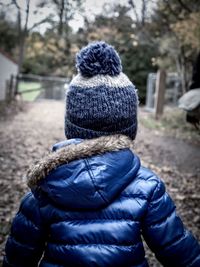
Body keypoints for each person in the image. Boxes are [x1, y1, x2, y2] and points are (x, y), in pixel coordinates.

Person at [3, 41, 200, 267]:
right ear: (128, 126)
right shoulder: (148, 187)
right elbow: (182, 254)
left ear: (72, 124)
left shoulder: (45, 187)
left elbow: (18, 258)